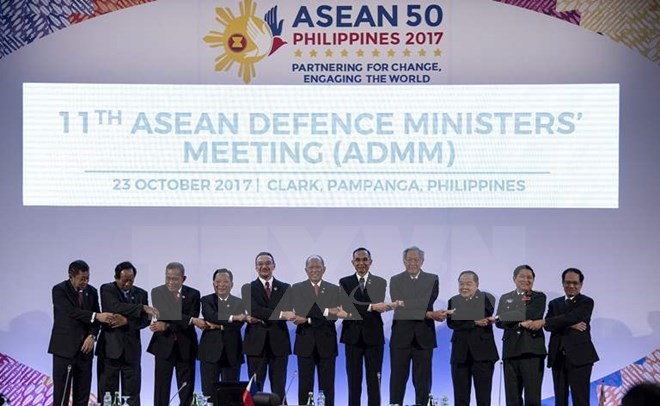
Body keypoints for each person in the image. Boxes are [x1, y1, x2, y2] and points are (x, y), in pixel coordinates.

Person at [48, 259, 115, 406]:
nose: (85, 282)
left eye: (88, 278)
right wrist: (96, 316)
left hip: (85, 350)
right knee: (62, 393)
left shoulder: (91, 291)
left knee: (83, 393)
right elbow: (71, 312)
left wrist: (92, 335)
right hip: (64, 350)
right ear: (71, 276)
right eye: (82, 279)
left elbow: (97, 319)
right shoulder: (59, 290)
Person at [389, 246, 446, 406]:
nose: (412, 263)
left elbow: (426, 302)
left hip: (424, 337)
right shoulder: (395, 280)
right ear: (404, 261)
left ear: (422, 261)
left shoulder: (432, 279)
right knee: (397, 379)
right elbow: (399, 305)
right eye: (409, 260)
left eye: (416, 259)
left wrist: (406, 303)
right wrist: (427, 313)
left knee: (423, 381)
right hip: (401, 337)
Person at [96, 261, 158, 405]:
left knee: (132, 394)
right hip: (110, 350)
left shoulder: (141, 293)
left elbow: (145, 320)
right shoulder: (107, 289)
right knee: (108, 393)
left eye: (131, 280)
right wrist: (141, 307)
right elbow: (114, 306)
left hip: (131, 351)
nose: (128, 284)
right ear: (117, 277)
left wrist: (126, 321)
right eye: (125, 280)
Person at [290, 255, 348, 406]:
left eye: (318, 267)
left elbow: (334, 317)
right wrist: (327, 310)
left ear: (324, 269)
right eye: (311, 267)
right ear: (306, 270)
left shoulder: (334, 289)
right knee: (305, 386)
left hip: (327, 343)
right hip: (304, 342)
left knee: (327, 386)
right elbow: (301, 310)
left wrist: (308, 319)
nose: (314, 270)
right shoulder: (296, 288)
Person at [148, 262, 204, 406]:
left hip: (186, 345)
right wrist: (190, 320)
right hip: (163, 346)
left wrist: (166, 325)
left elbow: (187, 318)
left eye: (174, 279)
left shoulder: (194, 294)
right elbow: (166, 312)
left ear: (183, 279)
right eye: (168, 278)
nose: (170, 282)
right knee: (161, 388)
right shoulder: (157, 291)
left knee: (186, 388)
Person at [541, 268, 599, 406]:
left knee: (580, 398)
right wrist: (570, 325)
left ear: (581, 284)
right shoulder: (554, 303)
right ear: (562, 283)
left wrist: (557, 322)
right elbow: (548, 326)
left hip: (580, 358)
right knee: (560, 399)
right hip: (558, 357)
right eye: (567, 282)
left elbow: (573, 317)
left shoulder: (586, 302)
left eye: (575, 283)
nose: (571, 286)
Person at [339, 247, 389, 406]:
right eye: (358, 260)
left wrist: (361, 307)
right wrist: (372, 307)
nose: (361, 263)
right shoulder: (344, 282)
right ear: (353, 262)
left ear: (370, 262)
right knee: (353, 381)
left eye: (365, 260)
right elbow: (347, 306)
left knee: (374, 381)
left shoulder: (380, 282)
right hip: (352, 336)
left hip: (374, 336)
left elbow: (376, 301)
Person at [241, 252, 294, 403]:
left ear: (274, 266)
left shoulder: (285, 288)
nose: (264, 266)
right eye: (260, 264)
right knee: (255, 388)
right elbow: (254, 310)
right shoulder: (248, 288)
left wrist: (266, 314)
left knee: (279, 387)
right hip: (255, 344)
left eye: (268, 263)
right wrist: (281, 314)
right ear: (256, 268)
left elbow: (287, 308)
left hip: (279, 343)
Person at [496, 264, 547, 406]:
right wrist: (519, 323)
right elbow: (498, 322)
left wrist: (506, 316)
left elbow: (532, 313)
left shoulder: (539, 297)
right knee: (512, 398)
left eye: (529, 277)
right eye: (522, 277)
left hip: (532, 351)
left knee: (532, 398)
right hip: (510, 351)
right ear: (514, 279)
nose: (526, 280)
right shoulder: (505, 297)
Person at [447, 270, 499, 406]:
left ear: (477, 284)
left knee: (483, 398)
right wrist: (474, 322)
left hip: (483, 354)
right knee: (460, 398)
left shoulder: (487, 298)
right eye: (461, 283)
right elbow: (452, 322)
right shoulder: (453, 300)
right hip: (460, 354)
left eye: (468, 284)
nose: (464, 287)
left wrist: (458, 314)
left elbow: (483, 313)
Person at [198, 268, 247, 399]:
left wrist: (218, 326)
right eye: (218, 281)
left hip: (232, 353)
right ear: (213, 284)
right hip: (209, 353)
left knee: (230, 394)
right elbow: (210, 315)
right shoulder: (206, 300)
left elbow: (238, 325)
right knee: (208, 393)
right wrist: (233, 317)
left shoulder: (240, 302)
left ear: (232, 284)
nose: (221, 284)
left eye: (225, 281)